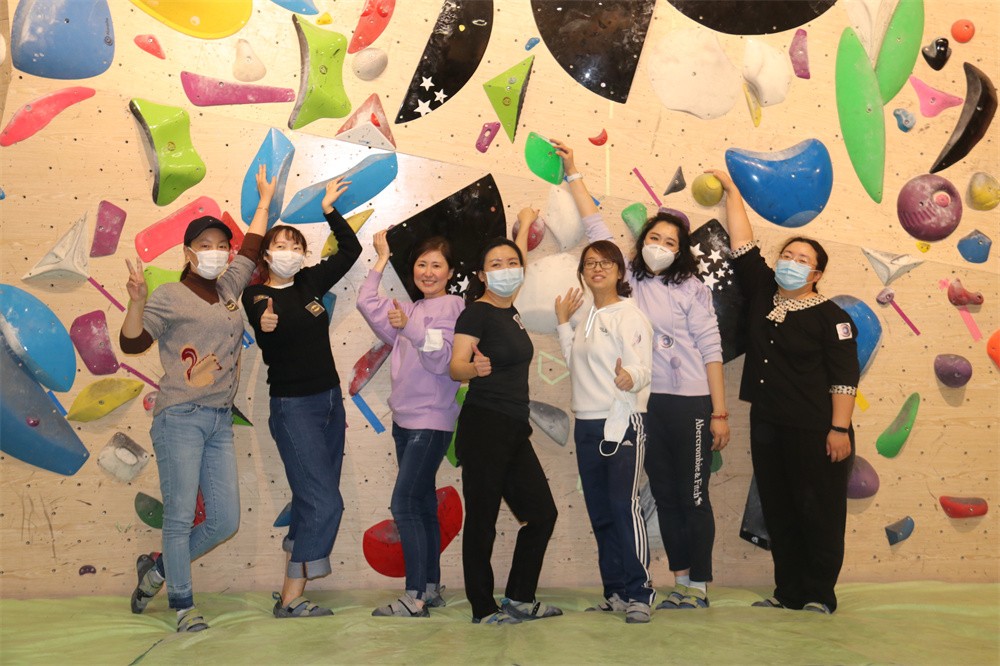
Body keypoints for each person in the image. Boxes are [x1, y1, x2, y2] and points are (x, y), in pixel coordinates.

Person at [553, 139, 730, 611]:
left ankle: (698, 587)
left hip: (690, 402)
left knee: (694, 495)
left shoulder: (693, 288)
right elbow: (595, 226)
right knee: (665, 495)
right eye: (655, 238)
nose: (661, 247)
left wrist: (719, 411)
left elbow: (712, 350)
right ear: (642, 242)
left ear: (681, 250)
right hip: (643, 405)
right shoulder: (628, 279)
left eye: (671, 242)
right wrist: (573, 172)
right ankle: (680, 579)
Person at [122, 165, 274, 632]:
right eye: (205, 245)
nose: (215, 252)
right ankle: (183, 607)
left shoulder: (228, 288)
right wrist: (136, 301)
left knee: (224, 520)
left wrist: (264, 200)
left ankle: (158, 571)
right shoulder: (169, 295)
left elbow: (253, 247)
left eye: (220, 245)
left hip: (219, 421)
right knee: (180, 515)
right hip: (180, 418)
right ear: (188, 253)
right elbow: (132, 342)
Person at [713, 169, 859, 614]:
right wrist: (732, 192)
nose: (791, 262)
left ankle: (820, 594)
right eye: (787, 254)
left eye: (802, 259)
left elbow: (844, 379)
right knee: (779, 509)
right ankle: (788, 593)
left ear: (816, 273)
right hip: (768, 425)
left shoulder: (832, 318)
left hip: (817, 430)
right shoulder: (764, 293)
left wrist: (839, 429)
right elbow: (743, 244)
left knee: (819, 512)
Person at [242, 177, 361, 618]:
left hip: (330, 402)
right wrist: (265, 325)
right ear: (267, 255)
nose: (289, 251)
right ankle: (291, 598)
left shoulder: (310, 282)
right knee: (326, 503)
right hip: (293, 409)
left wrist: (330, 210)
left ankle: (292, 572)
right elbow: (262, 323)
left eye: (297, 246)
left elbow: (351, 251)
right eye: (281, 245)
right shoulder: (256, 294)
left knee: (314, 497)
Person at [449, 212, 561, 625]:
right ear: (482, 275)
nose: (507, 270)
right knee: (482, 521)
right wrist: (472, 369)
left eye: (511, 264)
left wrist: (524, 227)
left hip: (513, 428)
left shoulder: (510, 311)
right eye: (495, 265)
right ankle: (483, 608)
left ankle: (518, 598)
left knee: (542, 514)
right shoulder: (476, 314)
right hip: (485, 425)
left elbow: (519, 262)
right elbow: (455, 366)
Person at [356, 231, 464, 617]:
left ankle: (415, 596)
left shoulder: (453, 307)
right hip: (405, 421)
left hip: (431, 421)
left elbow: (444, 360)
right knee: (420, 503)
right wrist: (382, 258)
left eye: (437, 265)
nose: (428, 272)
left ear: (450, 272)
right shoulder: (411, 308)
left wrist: (410, 326)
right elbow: (366, 302)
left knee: (404, 503)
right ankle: (429, 587)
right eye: (421, 264)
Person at [554, 241, 655, 623]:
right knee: (600, 511)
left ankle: (640, 593)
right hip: (587, 423)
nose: (597, 268)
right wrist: (563, 322)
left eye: (605, 263)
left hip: (622, 421)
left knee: (623, 506)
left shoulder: (629, 315)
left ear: (619, 271)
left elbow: (644, 367)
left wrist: (631, 376)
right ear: (582, 273)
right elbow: (574, 361)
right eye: (590, 263)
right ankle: (615, 591)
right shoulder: (588, 317)